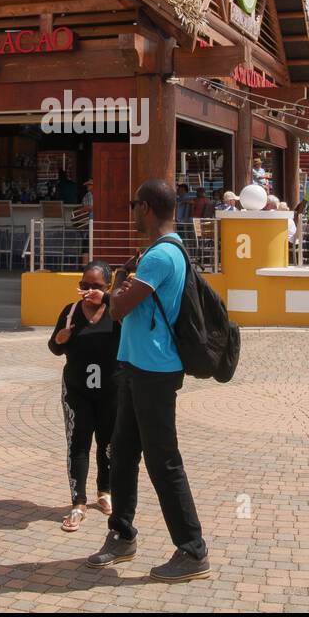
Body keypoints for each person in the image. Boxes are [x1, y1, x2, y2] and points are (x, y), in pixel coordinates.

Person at [86, 178, 210, 583]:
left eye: (133, 204)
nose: (131, 212)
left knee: (163, 460)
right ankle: (122, 533)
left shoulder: (160, 256)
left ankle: (192, 550)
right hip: (138, 367)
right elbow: (126, 300)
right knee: (122, 453)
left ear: (146, 208)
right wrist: (122, 283)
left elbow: (120, 307)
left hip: (155, 371)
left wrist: (112, 291)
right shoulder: (161, 253)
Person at [49, 260, 121, 532]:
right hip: (77, 392)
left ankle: (106, 491)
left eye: (96, 286)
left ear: (108, 287)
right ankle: (78, 503)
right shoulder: (70, 311)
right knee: (78, 445)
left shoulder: (117, 313)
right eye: (84, 285)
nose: (88, 291)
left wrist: (109, 301)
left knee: (108, 444)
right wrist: (60, 339)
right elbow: (54, 348)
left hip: (111, 392)